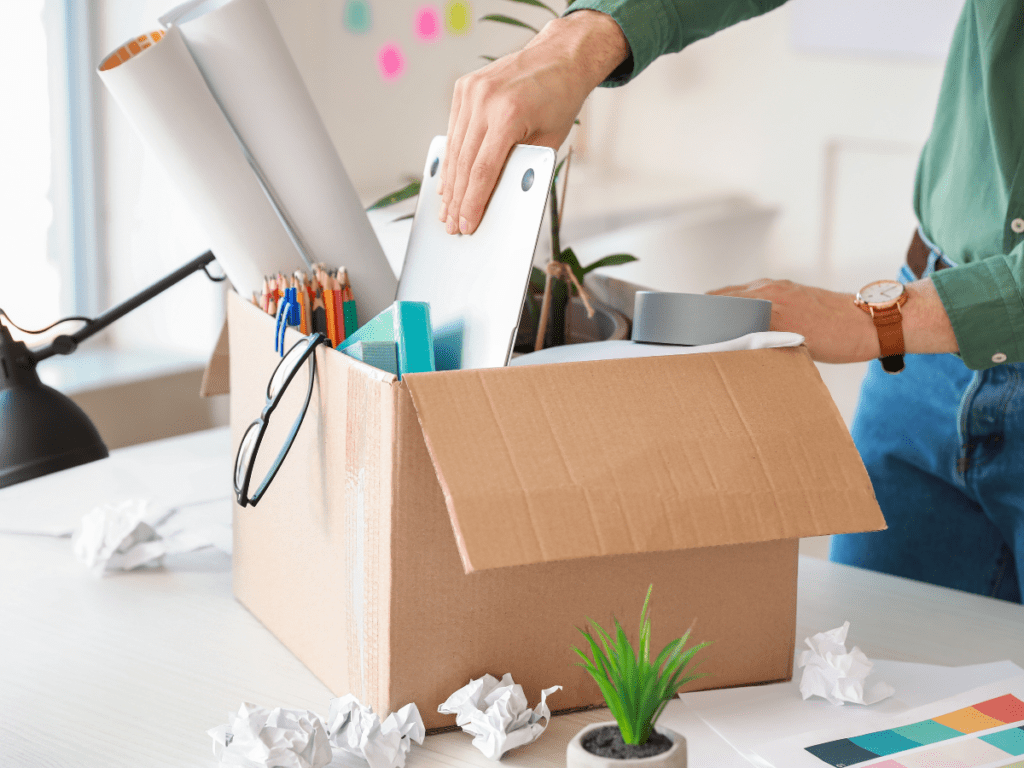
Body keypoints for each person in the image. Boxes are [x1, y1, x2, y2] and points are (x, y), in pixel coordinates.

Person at [439, 1, 1024, 603]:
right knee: (869, 671)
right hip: (923, 369)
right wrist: (579, 42)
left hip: (913, 326)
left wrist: (873, 320)